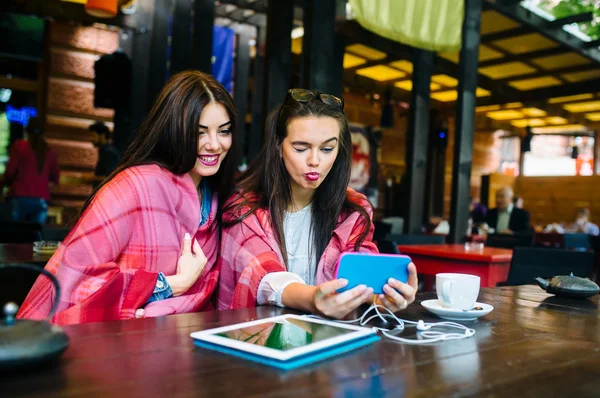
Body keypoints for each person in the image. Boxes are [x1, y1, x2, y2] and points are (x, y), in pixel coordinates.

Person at [17, 71, 240, 324]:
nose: (214, 144)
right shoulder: (135, 186)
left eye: (223, 131)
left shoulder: (222, 200)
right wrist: (171, 284)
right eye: (199, 133)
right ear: (174, 130)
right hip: (120, 343)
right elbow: (76, 278)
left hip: (191, 342)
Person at [218, 89, 418, 319]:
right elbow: (260, 273)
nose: (315, 161)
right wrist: (314, 299)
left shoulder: (352, 209)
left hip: (328, 340)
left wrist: (382, 296)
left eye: (327, 149)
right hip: (256, 338)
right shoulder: (245, 206)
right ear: (278, 147)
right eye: (301, 148)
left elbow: (358, 274)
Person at [3, 117, 60, 224]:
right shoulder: (48, 150)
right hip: (41, 199)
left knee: (14, 236)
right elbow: (55, 176)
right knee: (35, 236)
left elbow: (9, 173)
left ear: (26, 130)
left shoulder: (20, 146)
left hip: (18, 197)